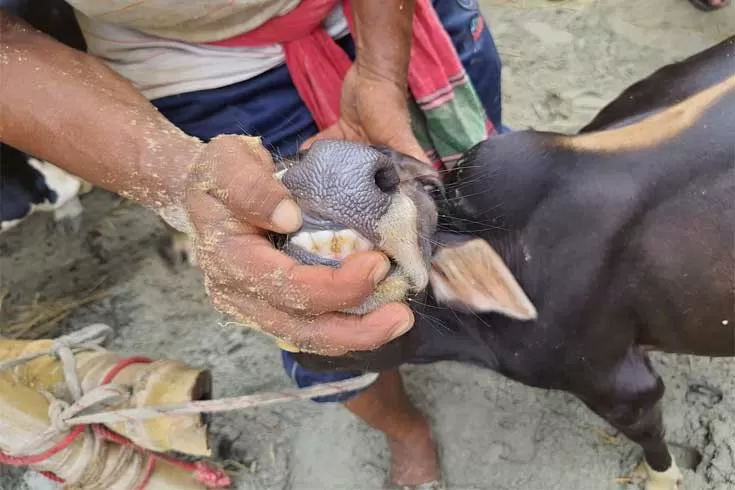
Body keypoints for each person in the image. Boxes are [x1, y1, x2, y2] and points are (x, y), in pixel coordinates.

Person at [0, 1, 505, 487]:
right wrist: (181, 174)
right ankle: (406, 429)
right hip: (193, 72)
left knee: (478, 207)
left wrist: (380, 72)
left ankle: (492, 322)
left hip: (393, 19)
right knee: (314, 307)